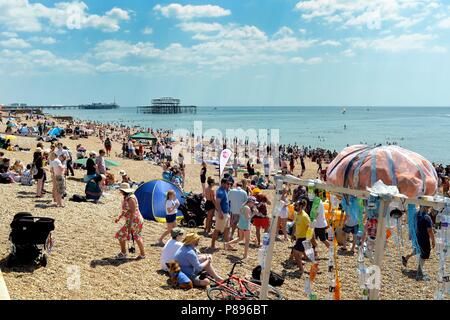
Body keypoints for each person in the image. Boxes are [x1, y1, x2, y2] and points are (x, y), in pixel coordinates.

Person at [402, 206, 435, 281]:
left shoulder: (416, 214)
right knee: (424, 254)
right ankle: (419, 272)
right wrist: (433, 240)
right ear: (428, 207)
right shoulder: (427, 217)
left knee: (417, 250)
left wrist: (411, 234)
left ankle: (406, 257)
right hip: (424, 239)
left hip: (417, 237)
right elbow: (429, 230)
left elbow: (412, 224)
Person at [115, 183, 145, 259]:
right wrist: (119, 217)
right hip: (134, 220)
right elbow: (125, 210)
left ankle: (124, 253)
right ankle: (142, 254)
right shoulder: (127, 197)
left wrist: (129, 224)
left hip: (134, 220)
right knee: (136, 236)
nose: (120, 191)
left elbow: (133, 212)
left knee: (120, 235)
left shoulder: (131, 199)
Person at [210, 178, 231, 250]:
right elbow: (217, 202)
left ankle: (227, 245)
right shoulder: (221, 192)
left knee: (227, 229)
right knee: (217, 229)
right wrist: (220, 212)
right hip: (222, 213)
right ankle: (212, 245)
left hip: (226, 213)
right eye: (227, 184)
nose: (228, 185)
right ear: (223, 183)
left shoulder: (224, 190)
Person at [291, 200, 311, 275]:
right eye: (295, 205)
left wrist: (308, 239)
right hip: (298, 237)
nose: (295, 207)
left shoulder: (305, 216)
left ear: (301, 207)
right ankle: (303, 264)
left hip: (304, 238)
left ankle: (301, 270)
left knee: (295, 253)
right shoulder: (296, 214)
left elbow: (310, 228)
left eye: (296, 205)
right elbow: (295, 225)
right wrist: (293, 235)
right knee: (297, 253)